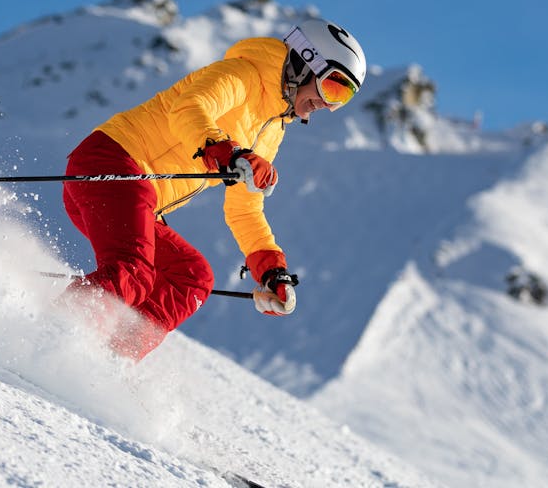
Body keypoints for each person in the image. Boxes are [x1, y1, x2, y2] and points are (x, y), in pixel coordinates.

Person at [61, 19, 367, 358]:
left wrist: (270, 269)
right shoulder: (244, 75)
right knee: (133, 273)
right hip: (113, 162)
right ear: (305, 62)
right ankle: (55, 330)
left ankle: (109, 358)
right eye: (332, 88)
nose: (328, 105)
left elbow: (244, 208)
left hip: (139, 198)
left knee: (190, 277)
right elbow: (189, 107)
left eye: (343, 98)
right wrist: (226, 151)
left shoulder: (271, 128)